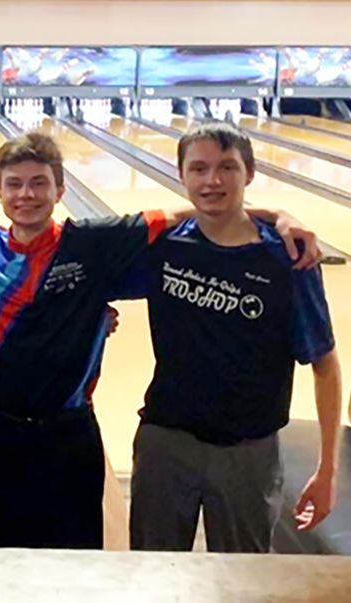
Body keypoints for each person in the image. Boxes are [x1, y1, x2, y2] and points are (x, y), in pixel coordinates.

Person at [0, 131, 320, 550]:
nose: (26, 194)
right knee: (9, 554)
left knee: (81, 561)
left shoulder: (94, 243)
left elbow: (193, 211)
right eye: (14, 185)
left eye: (39, 183)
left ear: (60, 191)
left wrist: (274, 213)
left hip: (70, 435)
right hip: (0, 431)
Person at [124, 122, 341, 553]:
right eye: (199, 169)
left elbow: (325, 365)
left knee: (243, 583)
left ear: (251, 172)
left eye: (227, 167)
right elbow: (67, 255)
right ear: (181, 175)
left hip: (249, 452)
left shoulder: (289, 259)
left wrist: (328, 471)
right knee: (152, 577)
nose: (213, 180)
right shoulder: (163, 245)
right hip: (165, 442)